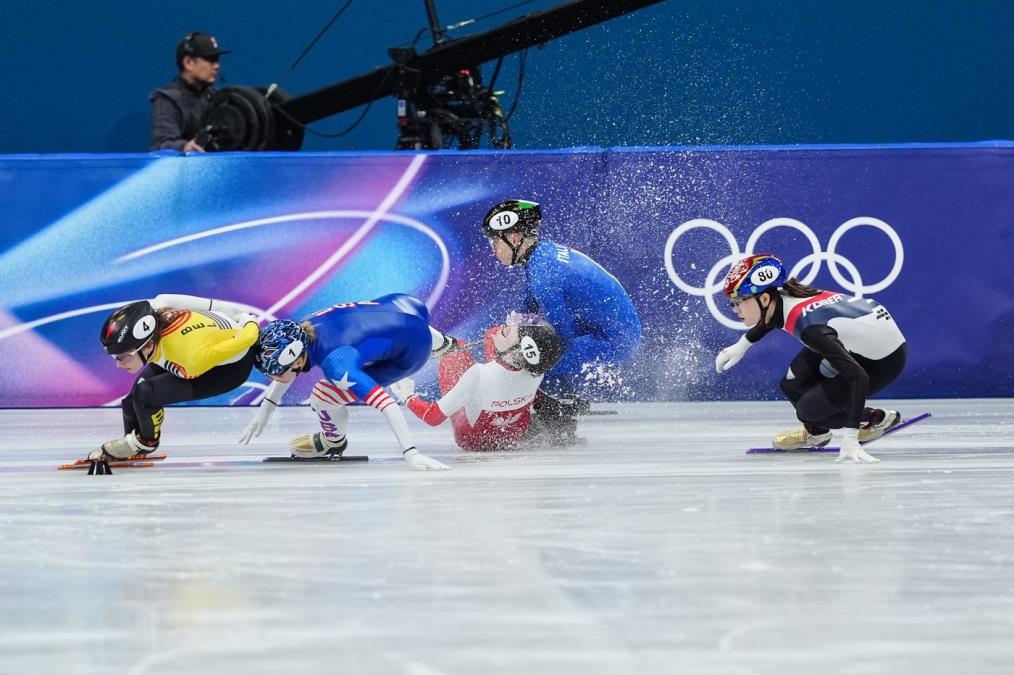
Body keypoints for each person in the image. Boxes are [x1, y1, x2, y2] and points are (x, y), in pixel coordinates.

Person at [714, 253, 907, 463]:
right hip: (858, 340)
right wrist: (741, 346)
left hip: (883, 360)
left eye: (738, 302)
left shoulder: (809, 329)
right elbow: (769, 319)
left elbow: (858, 377)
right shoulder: (784, 297)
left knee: (808, 410)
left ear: (765, 298)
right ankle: (817, 433)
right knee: (791, 385)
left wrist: (850, 438)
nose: (735, 309)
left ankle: (875, 420)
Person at [482, 199, 642, 444]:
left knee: (540, 359)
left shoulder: (544, 274)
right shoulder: (540, 256)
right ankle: (559, 405)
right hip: (603, 324)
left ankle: (560, 422)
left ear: (514, 239)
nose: (493, 249)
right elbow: (529, 306)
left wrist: (524, 357)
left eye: (494, 241)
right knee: (533, 351)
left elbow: (561, 340)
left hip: (614, 339)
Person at [238, 293, 451, 471]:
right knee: (402, 331)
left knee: (322, 397)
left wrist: (411, 454)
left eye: (274, 373)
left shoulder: (337, 364)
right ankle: (443, 342)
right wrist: (266, 408)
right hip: (405, 305)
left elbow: (387, 405)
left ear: (298, 360)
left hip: (410, 356)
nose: (272, 378)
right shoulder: (304, 327)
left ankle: (333, 442)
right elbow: (288, 371)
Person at [92, 294, 260, 460]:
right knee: (130, 403)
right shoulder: (159, 308)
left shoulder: (191, 359)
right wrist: (233, 310)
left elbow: (249, 337)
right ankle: (135, 445)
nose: (119, 364)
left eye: (124, 356)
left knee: (146, 394)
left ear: (149, 345)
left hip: (230, 368)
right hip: (189, 346)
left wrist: (247, 319)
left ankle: (146, 443)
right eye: (115, 357)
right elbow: (170, 298)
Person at [390, 314, 566, 451]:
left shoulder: (478, 374)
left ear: (514, 354)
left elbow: (432, 417)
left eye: (505, 331)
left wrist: (407, 396)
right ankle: (544, 412)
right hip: (514, 436)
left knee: (454, 350)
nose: (501, 329)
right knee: (492, 335)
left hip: (473, 440)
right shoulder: (539, 370)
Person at [150, 32, 230, 152]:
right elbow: (162, 145)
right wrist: (184, 147)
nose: (217, 66)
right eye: (211, 59)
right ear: (188, 63)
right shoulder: (167, 99)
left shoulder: (217, 97)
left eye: (217, 60)